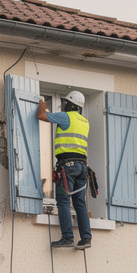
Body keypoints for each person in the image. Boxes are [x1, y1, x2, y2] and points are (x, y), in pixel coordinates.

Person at [37, 90, 92, 250]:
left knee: (62, 200)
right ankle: (86, 238)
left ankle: (67, 237)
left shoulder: (66, 116)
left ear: (70, 104)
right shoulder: (85, 122)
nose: (63, 106)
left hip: (67, 166)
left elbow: (41, 116)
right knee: (80, 203)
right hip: (82, 167)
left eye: (65, 103)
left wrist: (42, 103)